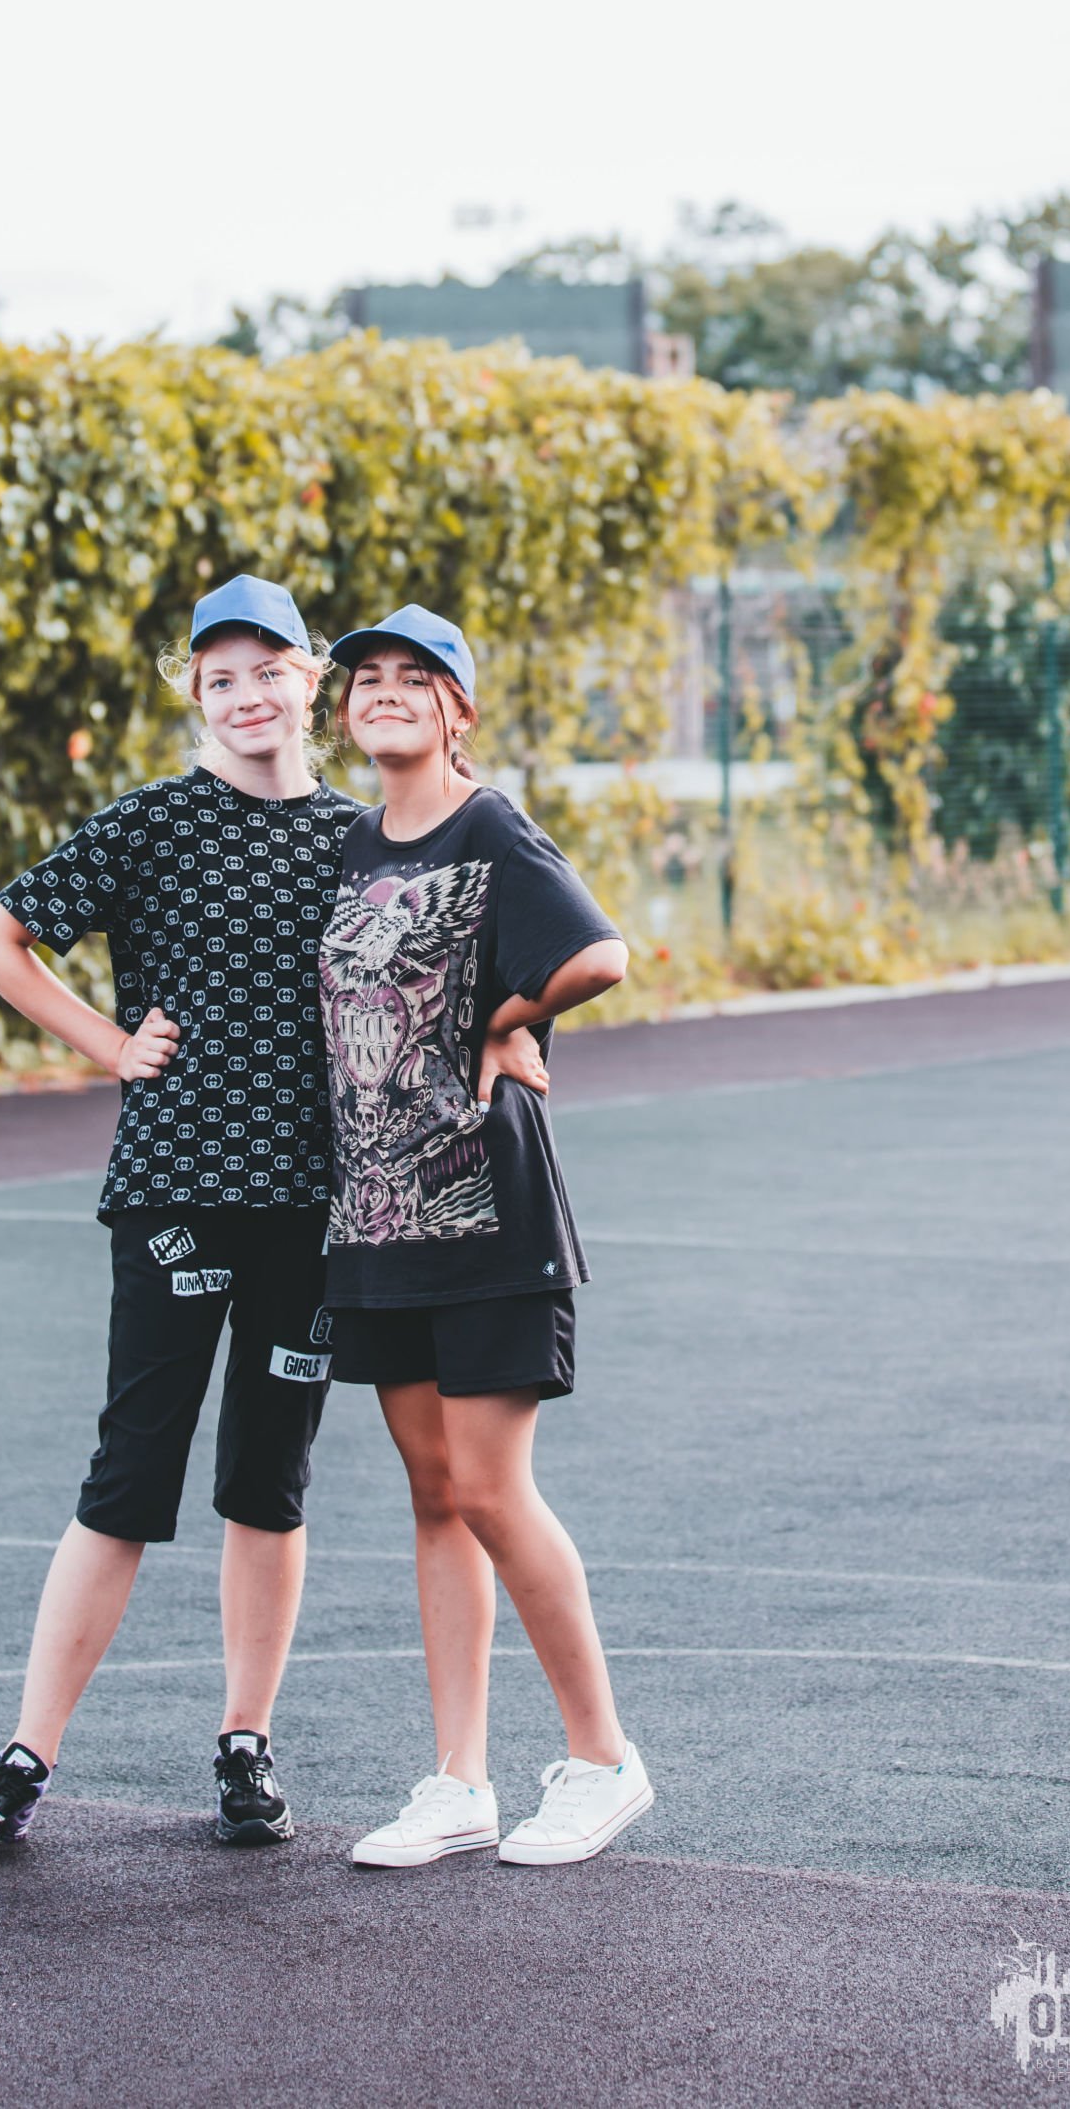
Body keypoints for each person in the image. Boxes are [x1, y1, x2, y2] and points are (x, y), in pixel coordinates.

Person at [0, 575, 359, 1858]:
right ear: (195, 695)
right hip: (175, 1195)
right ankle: (25, 1758)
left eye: (267, 671)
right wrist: (108, 1045)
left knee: (267, 1481)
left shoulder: (360, 838)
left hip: (311, 1209)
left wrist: (510, 1036)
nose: (246, 695)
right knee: (128, 1475)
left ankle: (245, 1745)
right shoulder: (152, 822)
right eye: (220, 678)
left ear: (309, 681)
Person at [316, 605, 652, 1868]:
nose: (386, 692)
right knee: (432, 1495)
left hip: (484, 1209)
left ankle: (602, 1761)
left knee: (491, 1490)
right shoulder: (351, 846)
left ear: (457, 709)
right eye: (367, 678)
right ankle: (459, 1780)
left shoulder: (489, 825)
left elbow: (599, 953)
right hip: (376, 1213)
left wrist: (496, 1019)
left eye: (416, 678)